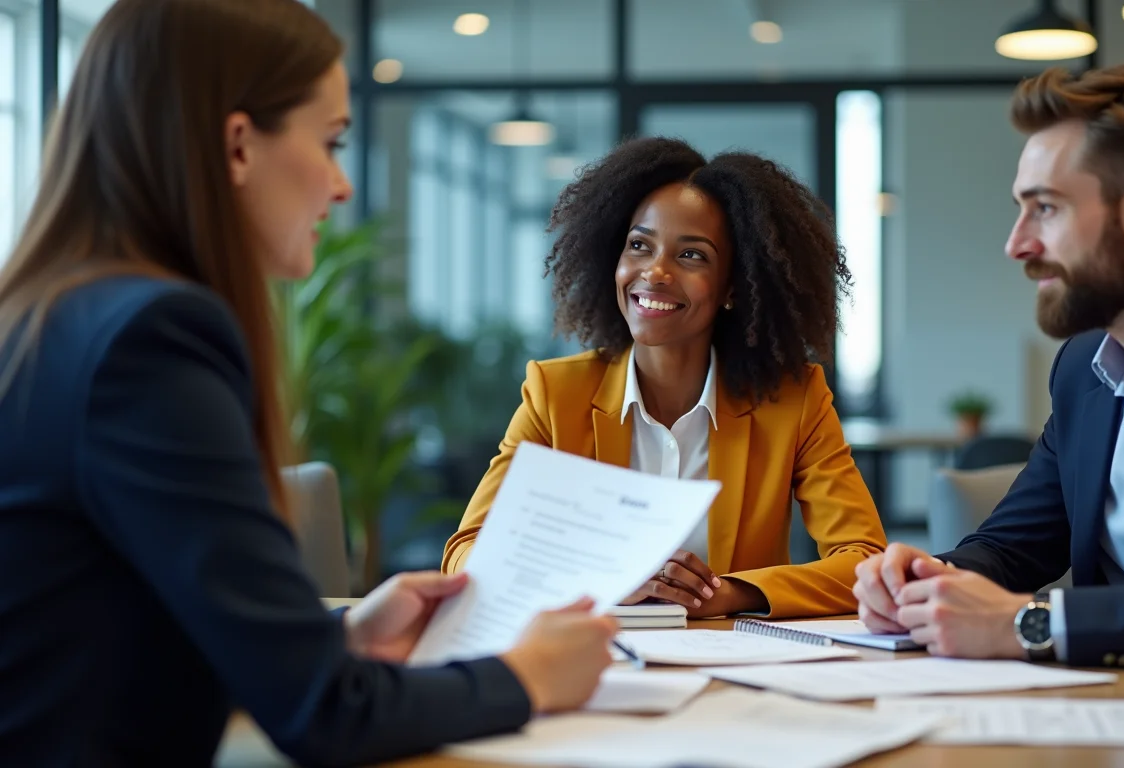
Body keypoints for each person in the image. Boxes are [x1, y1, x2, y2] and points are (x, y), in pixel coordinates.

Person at [0, 1, 616, 765]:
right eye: (330, 143)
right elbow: (325, 717)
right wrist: (527, 676)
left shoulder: (53, 316)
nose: (341, 185)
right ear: (236, 147)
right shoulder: (150, 339)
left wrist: (334, 639)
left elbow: (97, 648)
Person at [853, 58, 1124, 676]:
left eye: (1045, 208)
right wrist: (926, 583)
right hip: (1105, 711)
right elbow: (1011, 546)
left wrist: (1028, 624)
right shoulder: (1084, 368)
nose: (1017, 243)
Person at [443, 137, 888, 619]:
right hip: (590, 660)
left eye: (691, 255)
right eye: (639, 245)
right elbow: (467, 554)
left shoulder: (793, 401)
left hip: (735, 667)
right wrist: (594, 581)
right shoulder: (556, 395)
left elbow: (865, 562)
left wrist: (730, 594)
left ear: (733, 286)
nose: (654, 272)